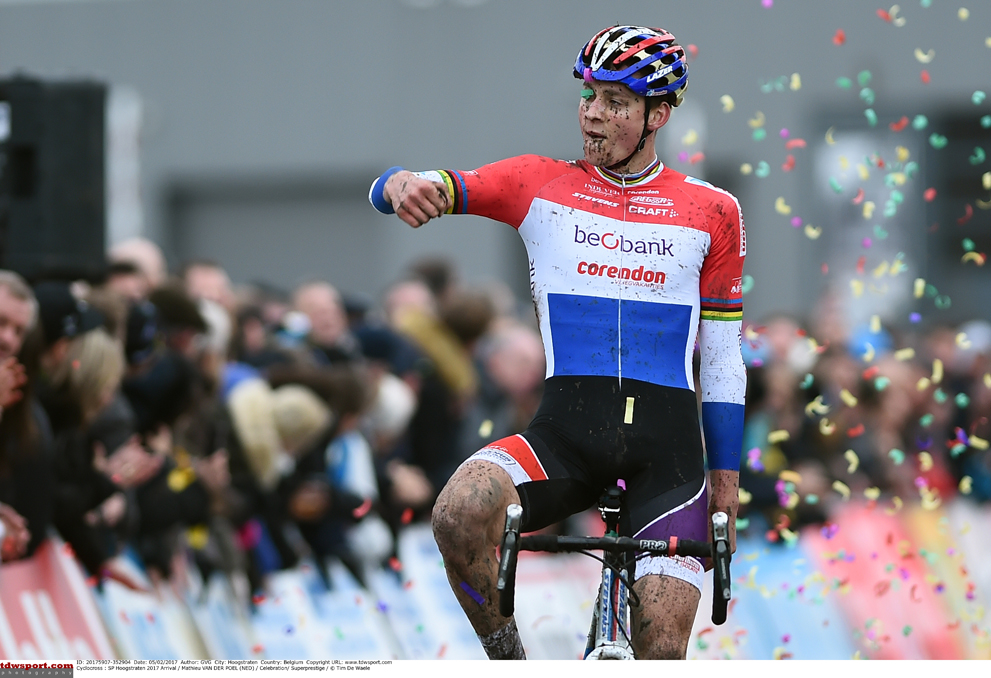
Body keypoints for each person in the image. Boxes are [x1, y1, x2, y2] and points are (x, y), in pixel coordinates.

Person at [368, 26, 747, 660]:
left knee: (660, 648)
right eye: (589, 96)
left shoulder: (713, 210)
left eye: (616, 102)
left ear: (657, 116)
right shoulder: (536, 182)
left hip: (668, 462)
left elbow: (725, 359)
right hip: (564, 440)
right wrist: (398, 183)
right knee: (457, 511)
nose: (593, 113)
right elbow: (417, 184)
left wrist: (726, 488)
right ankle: (510, 662)